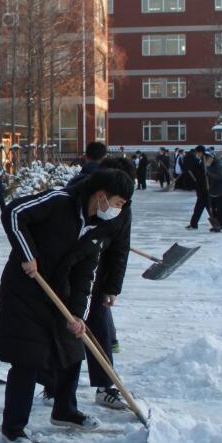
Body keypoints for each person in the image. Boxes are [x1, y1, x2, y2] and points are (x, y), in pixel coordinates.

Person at [0, 166, 134, 443]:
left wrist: (77, 315)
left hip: (61, 293)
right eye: (117, 204)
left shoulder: (98, 227)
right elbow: (15, 213)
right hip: (26, 290)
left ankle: (65, 410)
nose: (118, 211)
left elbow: (85, 274)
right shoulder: (60, 201)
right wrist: (27, 253)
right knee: (27, 358)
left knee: (72, 348)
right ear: (102, 196)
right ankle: (14, 427)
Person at [83, 157, 135, 411]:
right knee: (61, 330)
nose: (120, 206)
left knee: (99, 327)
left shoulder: (122, 209)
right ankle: (53, 383)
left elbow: (120, 249)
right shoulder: (81, 196)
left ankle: (105, 385)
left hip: (98, 276)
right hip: (69, 275)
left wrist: (112, 287)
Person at [204, 149, 222, 232]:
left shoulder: (218, 165)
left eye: (207, 158)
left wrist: (209, 174)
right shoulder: (209, 165)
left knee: (221, 210)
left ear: (211, 157)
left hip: (220, 191)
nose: (206, 160)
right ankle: (216, 225)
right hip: (213, 191)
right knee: (213, 209)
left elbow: (219, 177)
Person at [185, 146, 208, 229]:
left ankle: (219, 224)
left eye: (197, 152)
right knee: (199, 208)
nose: (196, 154)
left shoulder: (205, 160)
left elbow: (205, 174)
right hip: (201, 188)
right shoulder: (200, 160)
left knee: (203, 208)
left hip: (204, 189)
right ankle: (193, 224)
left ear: (200, 152)